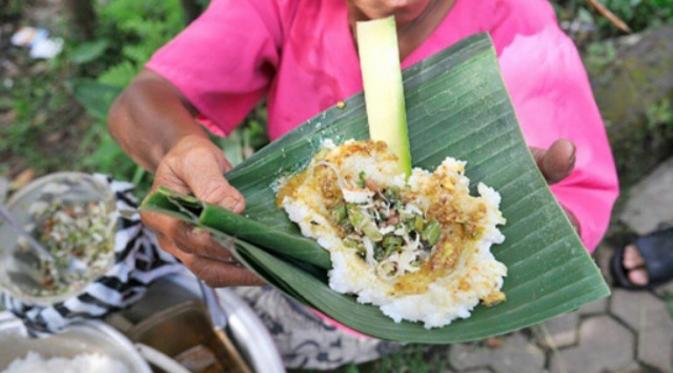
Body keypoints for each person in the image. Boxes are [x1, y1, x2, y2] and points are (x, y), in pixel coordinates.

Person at [107, 0, 619, 368]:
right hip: (276, 229)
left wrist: (543, 228)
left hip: (368, 306)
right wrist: (178, 151)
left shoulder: (524, 39)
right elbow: (144, 100)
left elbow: (577, 201)